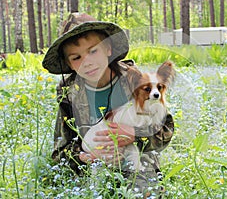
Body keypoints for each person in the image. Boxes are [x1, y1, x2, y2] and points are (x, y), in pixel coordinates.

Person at [42, 12, 174, 197]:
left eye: (93, 51)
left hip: (134, 156)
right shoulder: (69, 92)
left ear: (108, 49)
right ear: (69, 64)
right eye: (76, 57)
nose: (87, 62)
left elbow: (166, 129)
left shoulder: (134, 80)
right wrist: (85, 157)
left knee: (144, 191)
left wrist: (135, 135)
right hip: (93, 163)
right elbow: (60, 150)